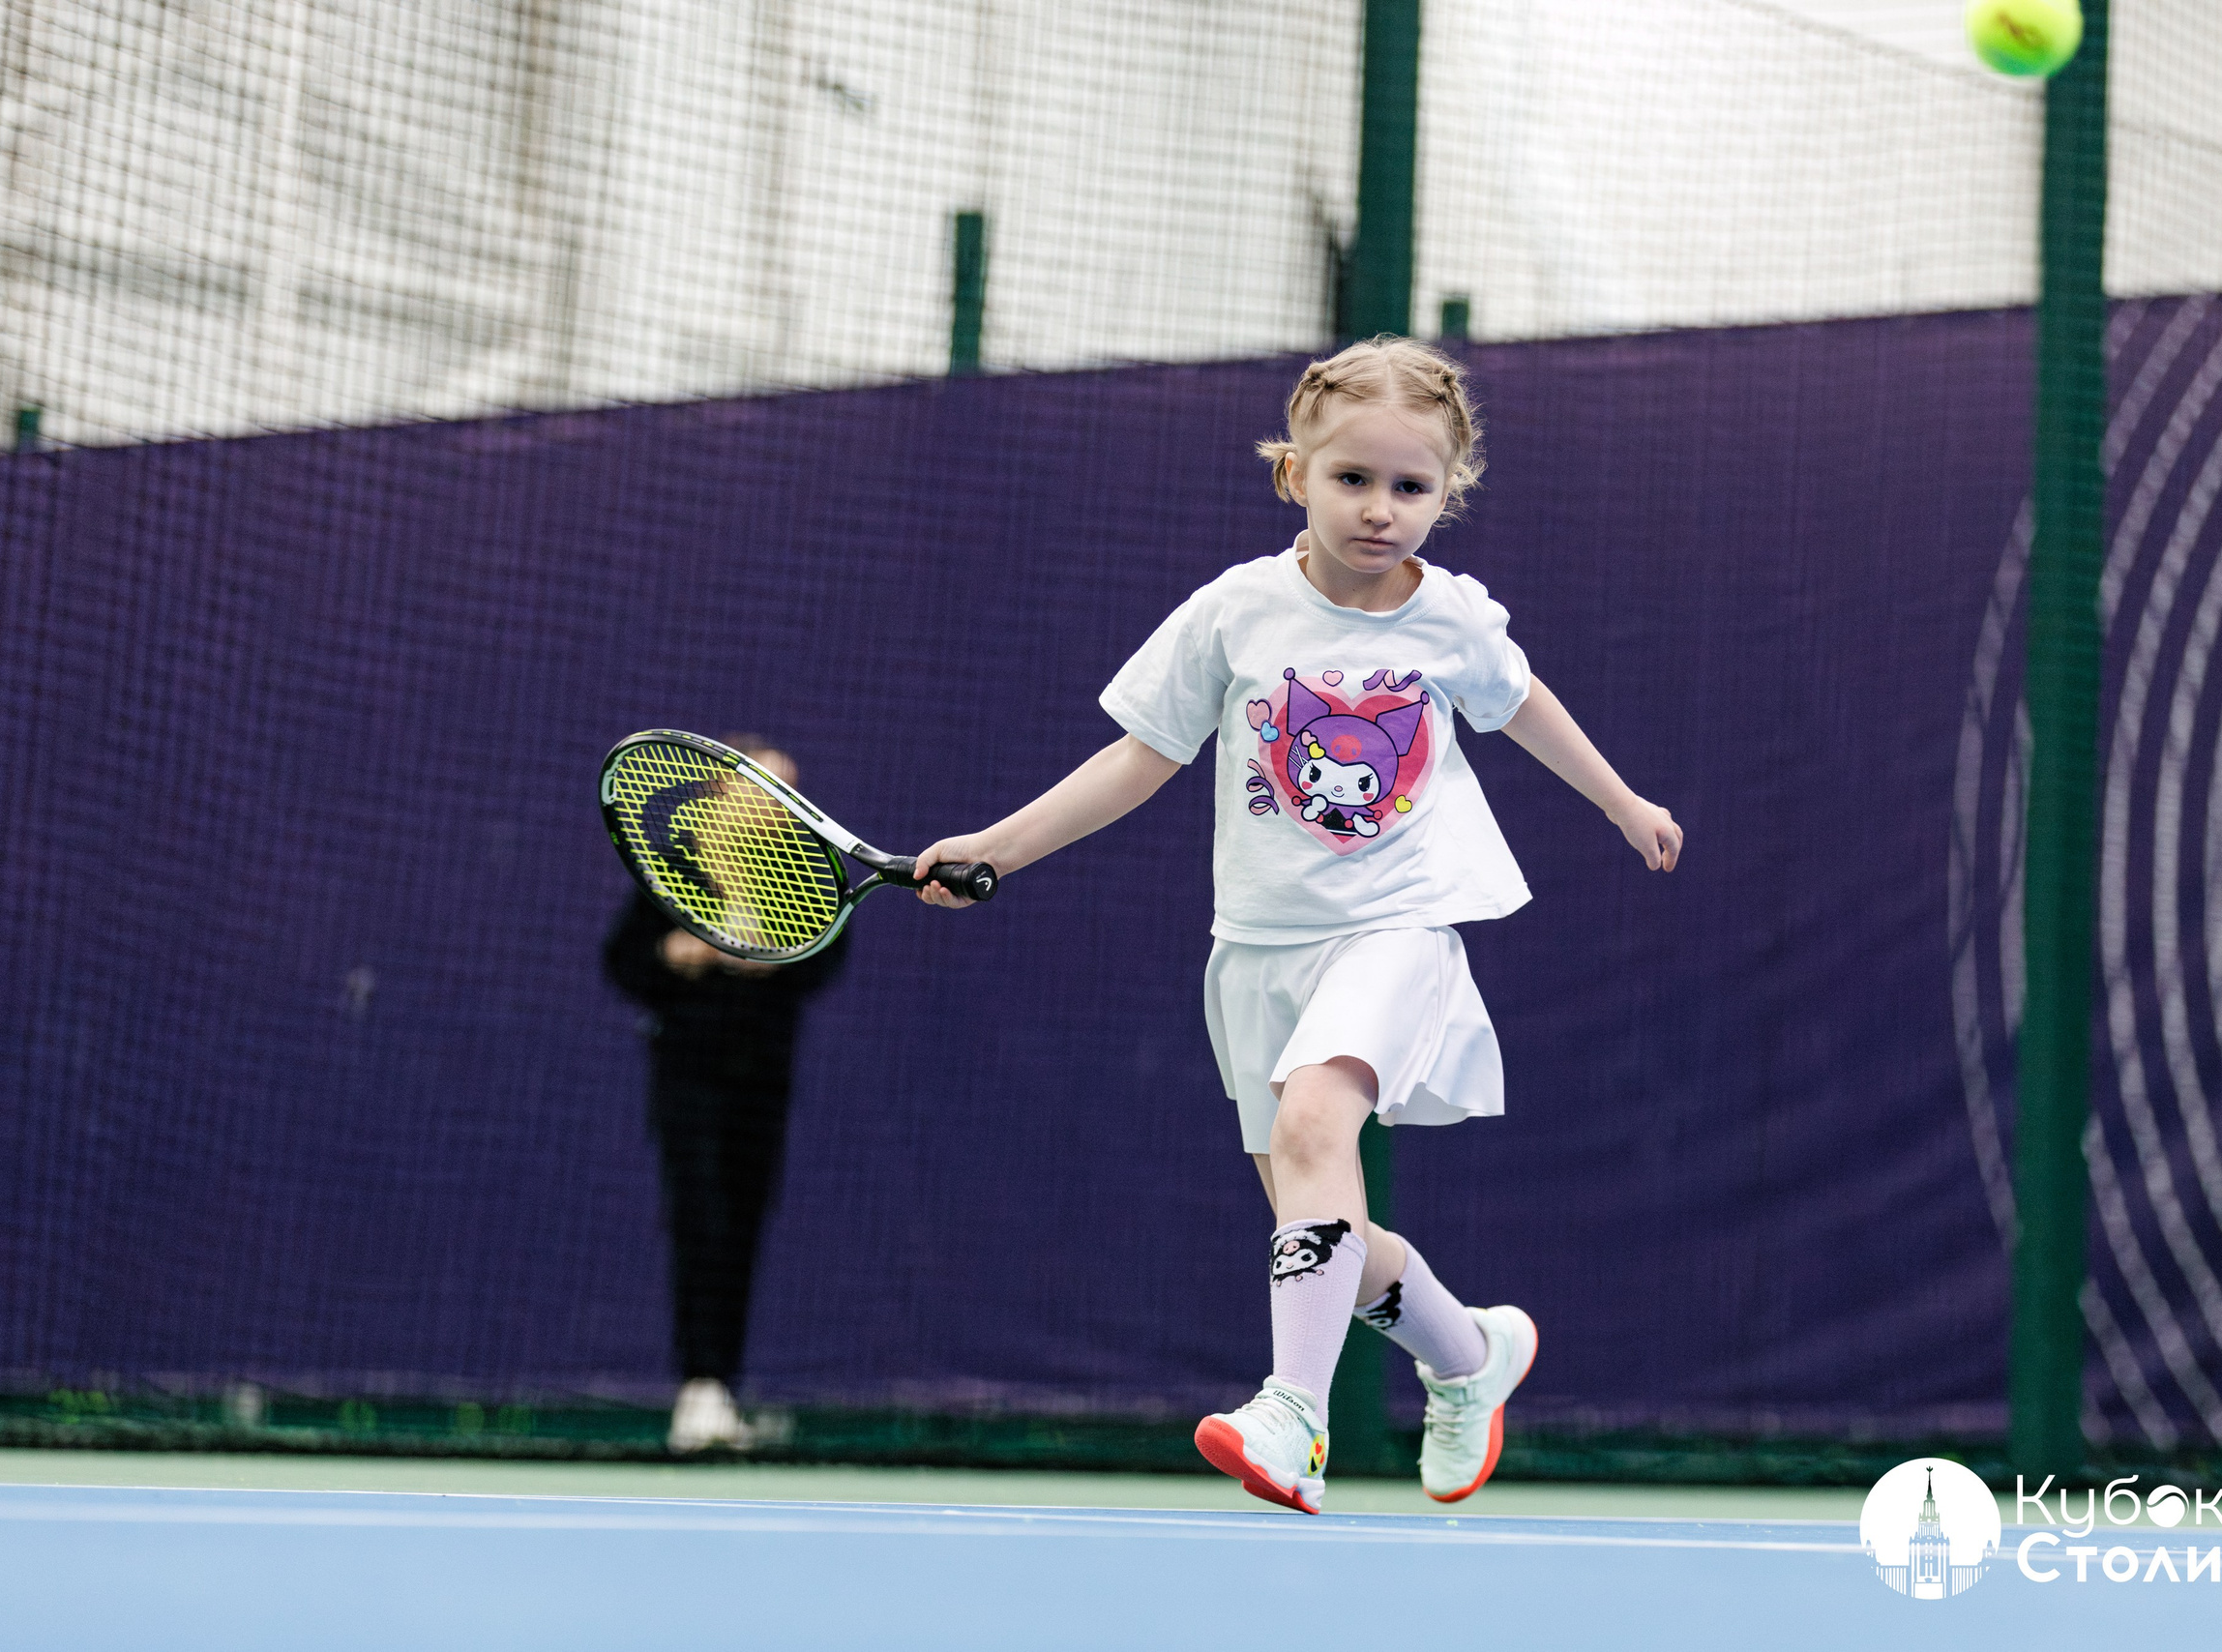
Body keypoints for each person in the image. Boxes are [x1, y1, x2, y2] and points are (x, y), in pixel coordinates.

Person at [907, 339, 1682, 1513]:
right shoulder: (1234, 611)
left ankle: (1291, 1417)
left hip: (1400, 927)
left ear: (1447, 492)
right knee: (1319, 1223)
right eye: (1352, 480)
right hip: (1258, 949)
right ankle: (1470, 1354)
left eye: (1411, 488)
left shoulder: (1451, 622)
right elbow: (1140, 757)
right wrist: (995, 846)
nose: (1380, 509)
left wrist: (1623, 802)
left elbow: (1523, 706)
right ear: (1295, 477)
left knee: (1323, 1120)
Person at [603, 739, 850, 1453]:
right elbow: (623, 961)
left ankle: (721, 1391)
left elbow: (824, 960)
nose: (784, 803)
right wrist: (680, 954)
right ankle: (697, 1390)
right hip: (687, 1076)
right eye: (769, 787)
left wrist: (766, 957)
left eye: (792, 791)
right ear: (723, 791)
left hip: (763, 1079)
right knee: (700, 1220)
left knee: (742, 1224)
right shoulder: (673, 868)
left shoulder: (802, 875)